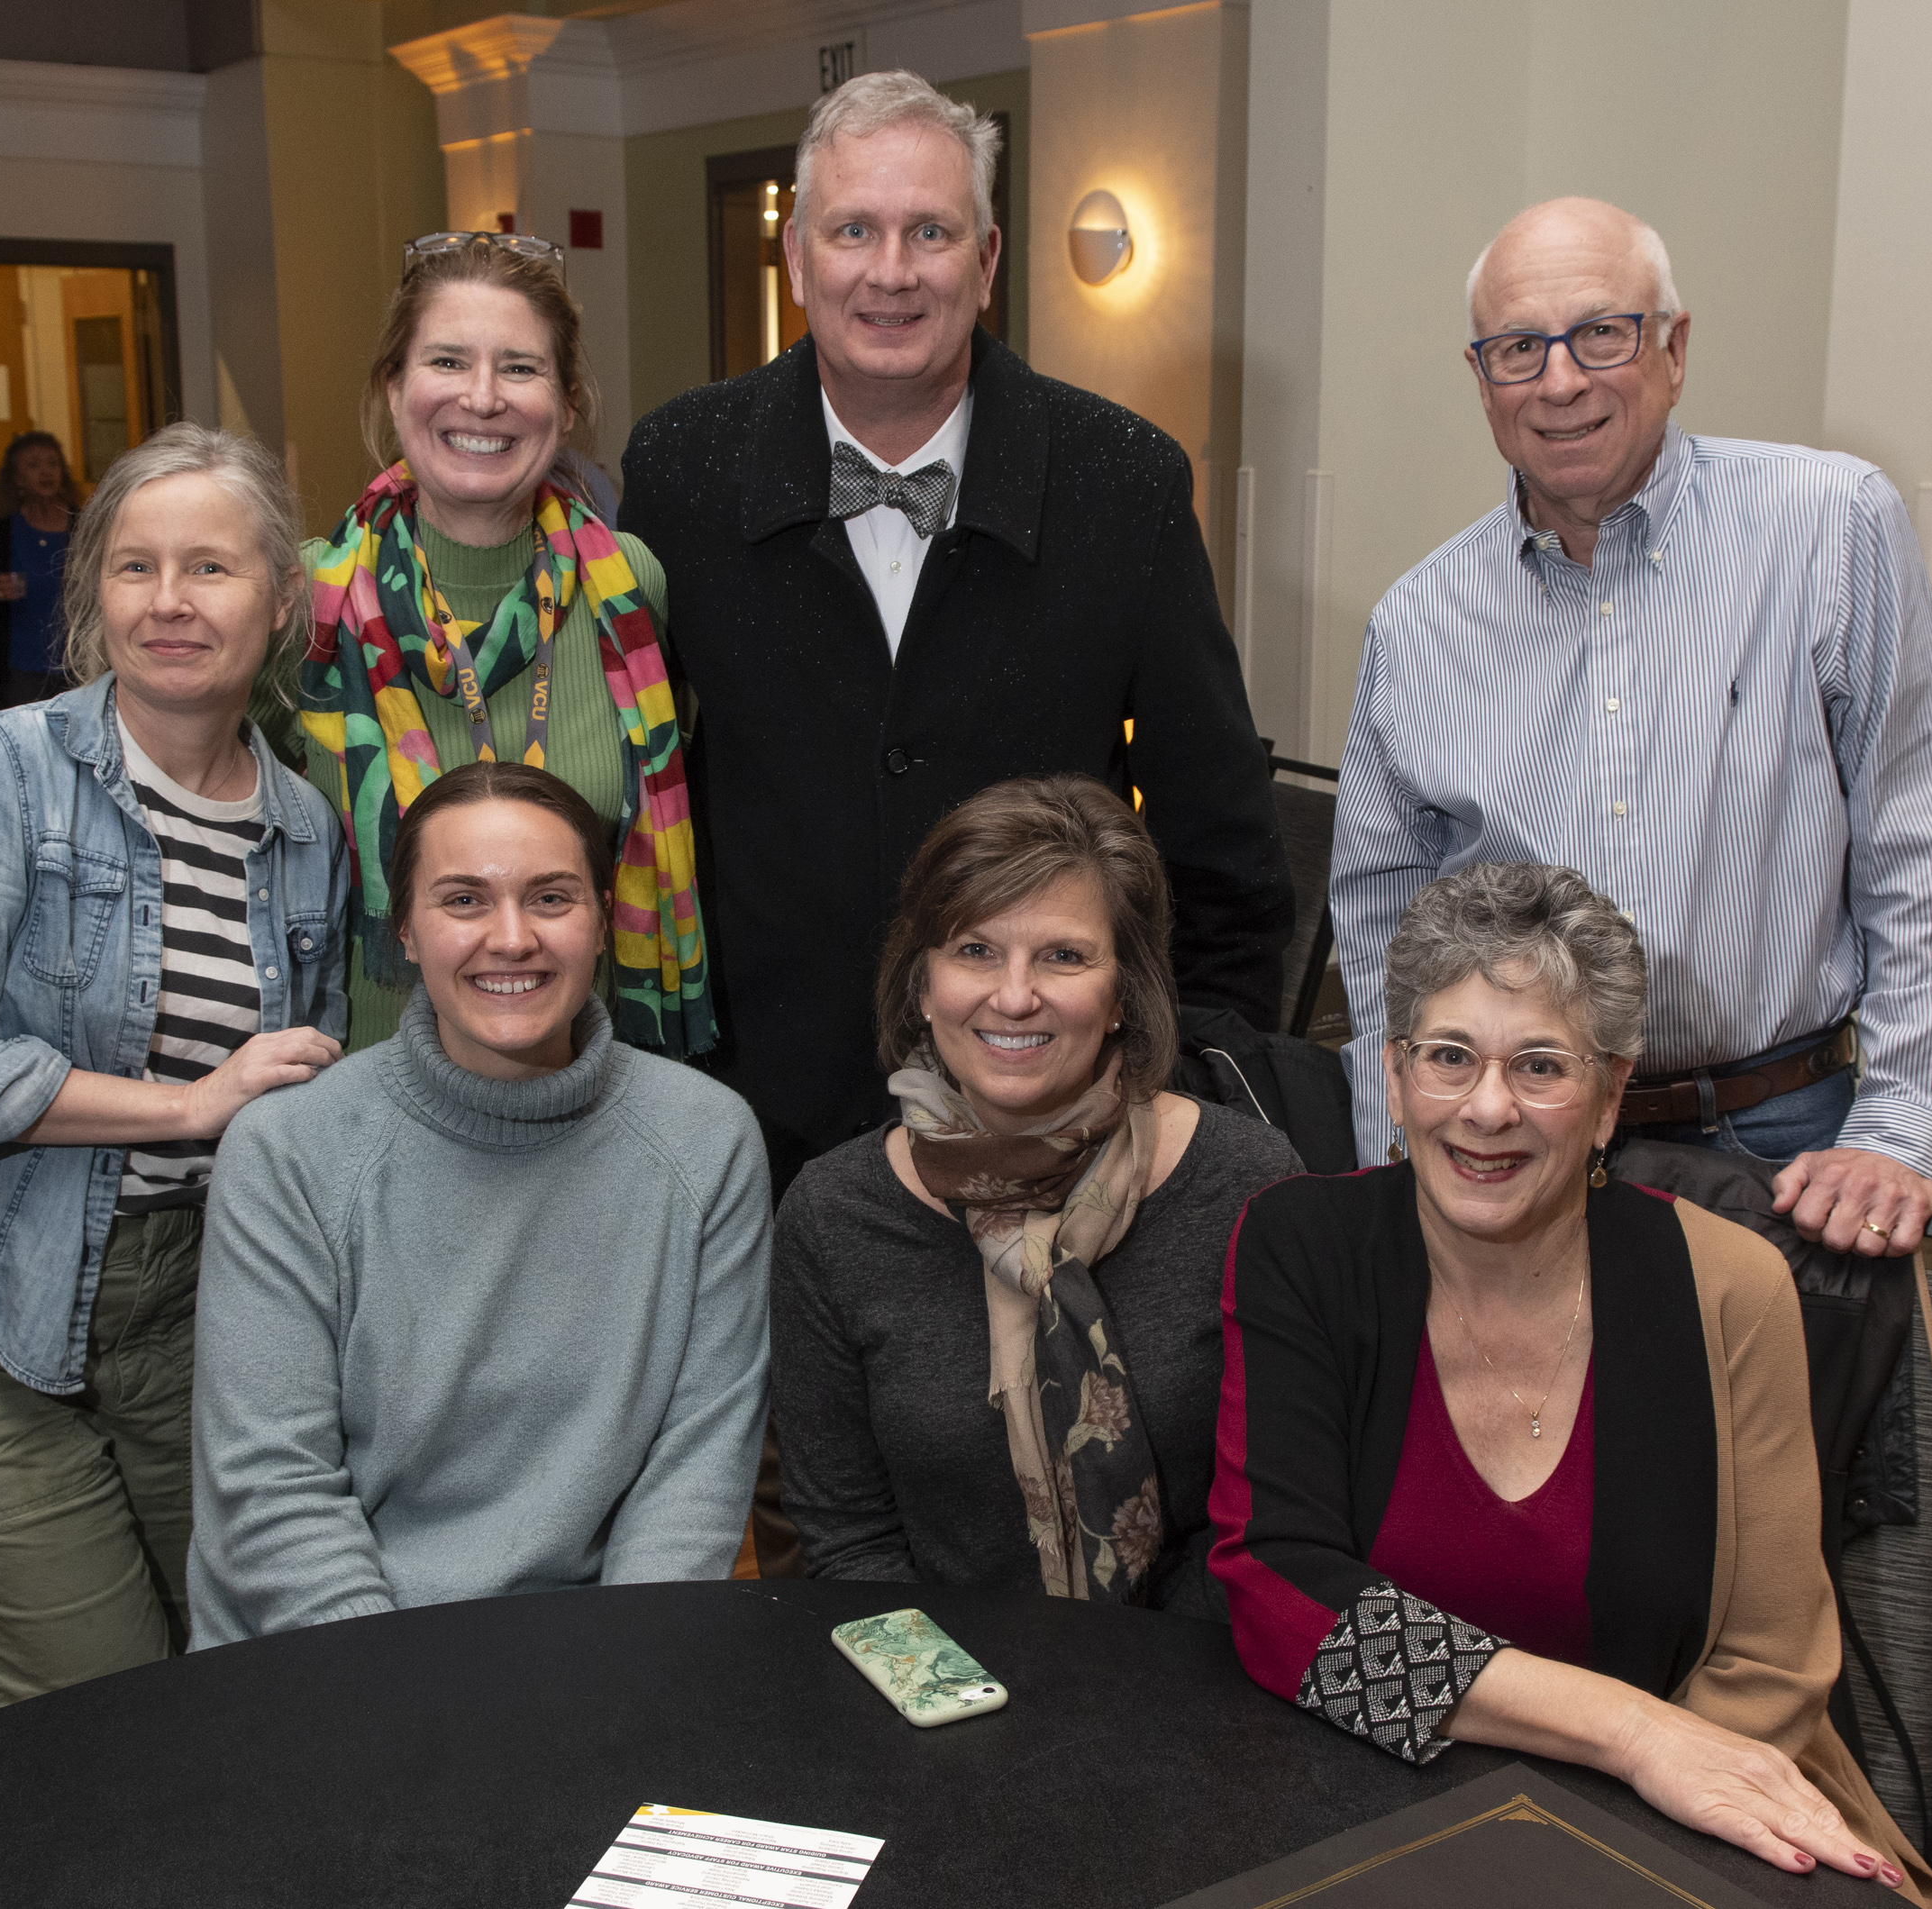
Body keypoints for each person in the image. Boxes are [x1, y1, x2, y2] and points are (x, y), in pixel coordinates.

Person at [619, 69, 1291, 1193]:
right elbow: (637, 798)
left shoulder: (1121, 483)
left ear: (984, 262)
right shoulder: (680, 471)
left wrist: (1175, 1100)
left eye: (930, 231)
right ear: (797, 260)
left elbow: (1218, 845)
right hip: (745, 1130)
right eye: (852, 230)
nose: (890, 271)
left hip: (1052, 1135)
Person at [1211, 862, 1932, 1904]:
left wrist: (1596, 1822)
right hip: (1363, 1804)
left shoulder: (1727, 1283)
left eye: (1541, 1066)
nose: (1487, 1107)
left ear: (1605, 1100)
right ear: (1393, 1075)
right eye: (1448, 1057)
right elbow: (1277, 1589)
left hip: (1674, 1827)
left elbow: (1771, 1664)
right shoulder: (1297, 1244)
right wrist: (1627, 1731)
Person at [1333, 195, 1932, 1260]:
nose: (1558, 381)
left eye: (1601, 333)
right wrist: (1397, 1165)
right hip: (1517, 1142)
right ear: (1480, 376)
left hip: (1789, 1142)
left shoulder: (1828, 529)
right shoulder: (1415, 624)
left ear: (1673, 348)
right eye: (1516, 348)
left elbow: (1918, 846)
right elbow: (1381, 939)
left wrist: (1901, 1128)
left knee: (1783, 1432)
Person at [0, 423, 348, 1716]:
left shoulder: (304, 830)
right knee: (96, 1719)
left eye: (209, 569)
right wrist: (185, 1102)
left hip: (188, 1315)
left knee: (234, 1682)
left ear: (280, 601)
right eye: (133, 566)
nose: (168, 600)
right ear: (92, 594)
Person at [189, 759, 770, 1644]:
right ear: (406, 932)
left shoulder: (705, 1139)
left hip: (596, 1655)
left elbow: (696, 1463)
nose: (511, 937)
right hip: (328, 1656)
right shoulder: (289, 1150)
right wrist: (418, 1709)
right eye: (463, 900)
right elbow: (272, 1483)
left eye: (550, 897)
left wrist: (626, 1672)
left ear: (604, 919)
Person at [772, 777, 1302, 1613]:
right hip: (944, 1700)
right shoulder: (835, 1214)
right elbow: (846, 1536)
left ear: (1124, 990)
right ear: (921, 984)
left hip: (1199, 1680)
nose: (1014, 996)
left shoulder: (1247, 1182)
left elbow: (1278, 1514)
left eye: (1063, 955)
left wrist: (1130, 1687)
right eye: (974, 950)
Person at [297, 231, 708, 1061]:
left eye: (519, 368)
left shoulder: (628, 589)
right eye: (447, 361)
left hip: (590, 1078)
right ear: (393, 384)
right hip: (370, 1082)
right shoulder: (309, 602)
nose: (481, 398)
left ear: (566, 400)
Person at [0, 429, 79, 705]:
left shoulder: (83, 526)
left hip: (78, 664)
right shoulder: (2, 532)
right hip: (22, 666)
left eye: (52, 463)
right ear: (17, 479)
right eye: (34, 465)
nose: (46, 472)